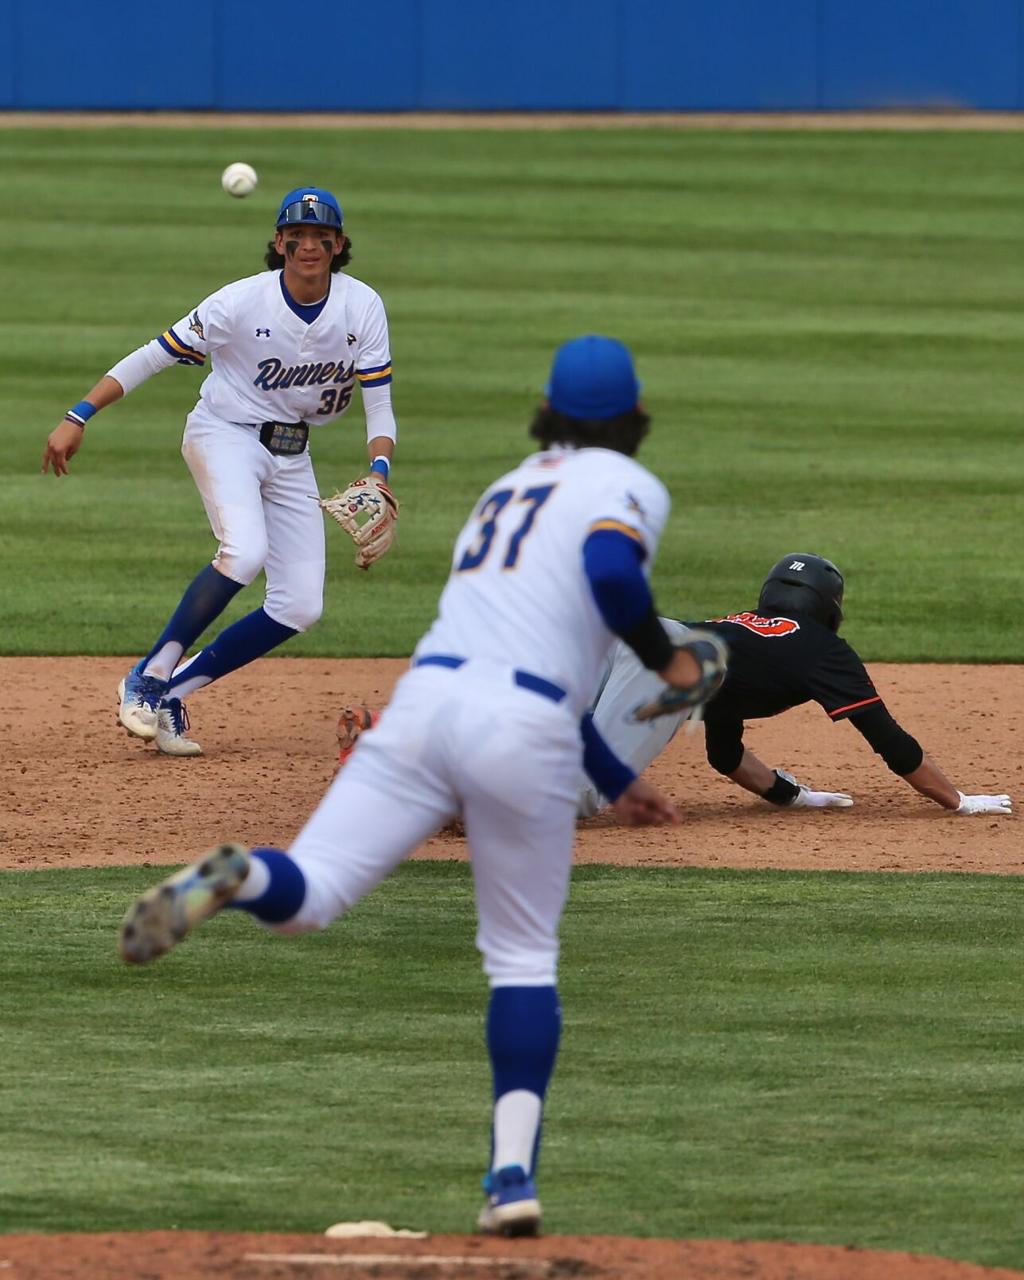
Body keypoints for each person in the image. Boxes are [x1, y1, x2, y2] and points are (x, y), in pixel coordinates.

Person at [117, 335, 727, 1237]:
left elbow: (511, 648)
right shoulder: (625, 485)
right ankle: (510, 1180)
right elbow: (600, 586)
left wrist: (608, 775)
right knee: (521, 960)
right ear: (634, 418)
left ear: (546, 411)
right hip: (521, 728)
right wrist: (666, 660)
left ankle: (238, 876)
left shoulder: (506, 489)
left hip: (423, 704)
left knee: (311, 893)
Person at [41, 186, 398, 757]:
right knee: (244, 552)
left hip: (292, 455)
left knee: (300, 605)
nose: (309, 246)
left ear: (339, 244)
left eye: (321, 237)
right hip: (223, 434)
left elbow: (379, 404)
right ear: (279, 243)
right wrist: (78, 413)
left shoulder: (362, 307)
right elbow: (154, 353)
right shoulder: (238, 303)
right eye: (297, 236)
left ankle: (173, 694)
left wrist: (379, 470)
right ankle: (148, 676)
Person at [577, 553, 1011, 818]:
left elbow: (724, 754)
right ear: (828, 605)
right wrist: (957, 800)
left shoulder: (740, 635)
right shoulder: (824, 650)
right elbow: (888, 739)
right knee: (584, 792)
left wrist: (792, 796)